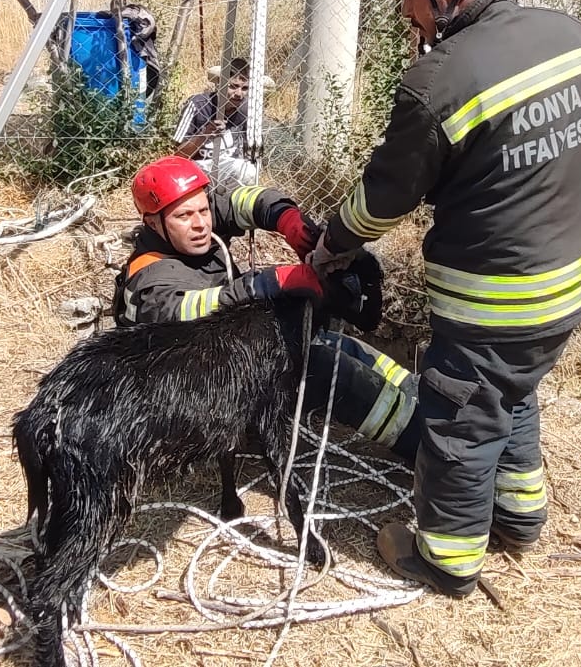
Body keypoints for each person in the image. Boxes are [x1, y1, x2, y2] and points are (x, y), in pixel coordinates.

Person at [309, 0, 581, 597]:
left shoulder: (438, 81)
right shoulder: (576, 38)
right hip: (567, 285)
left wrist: (331, 243)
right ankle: (519, 517)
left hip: (495, 301)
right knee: (512, 390)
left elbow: (384, 199)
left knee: (462, 420)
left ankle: (445, 556)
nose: (403, 6)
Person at [114, 156, 423, 461]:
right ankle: (422, 441)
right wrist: (263, 284)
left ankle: (425, 401)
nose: (200, 224)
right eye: (184, 216)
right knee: (327, 370)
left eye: (204, 210)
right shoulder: (151, 276)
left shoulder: (190, 225)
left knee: (342, 347)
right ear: (153, 222)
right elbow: (189, 310)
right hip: (193, 396)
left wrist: (286, 219)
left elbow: (247, 199)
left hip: (225, 358)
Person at [173, 61, 265, 189]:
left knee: (249, 172)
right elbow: (178, 156)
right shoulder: (198, 104)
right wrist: (205, 134)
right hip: (198, 167)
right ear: (219, 85)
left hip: (229, 167)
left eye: (244, 88)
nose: (239, 93)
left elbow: (250, 153)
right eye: (233, 86)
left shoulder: (247, 110)